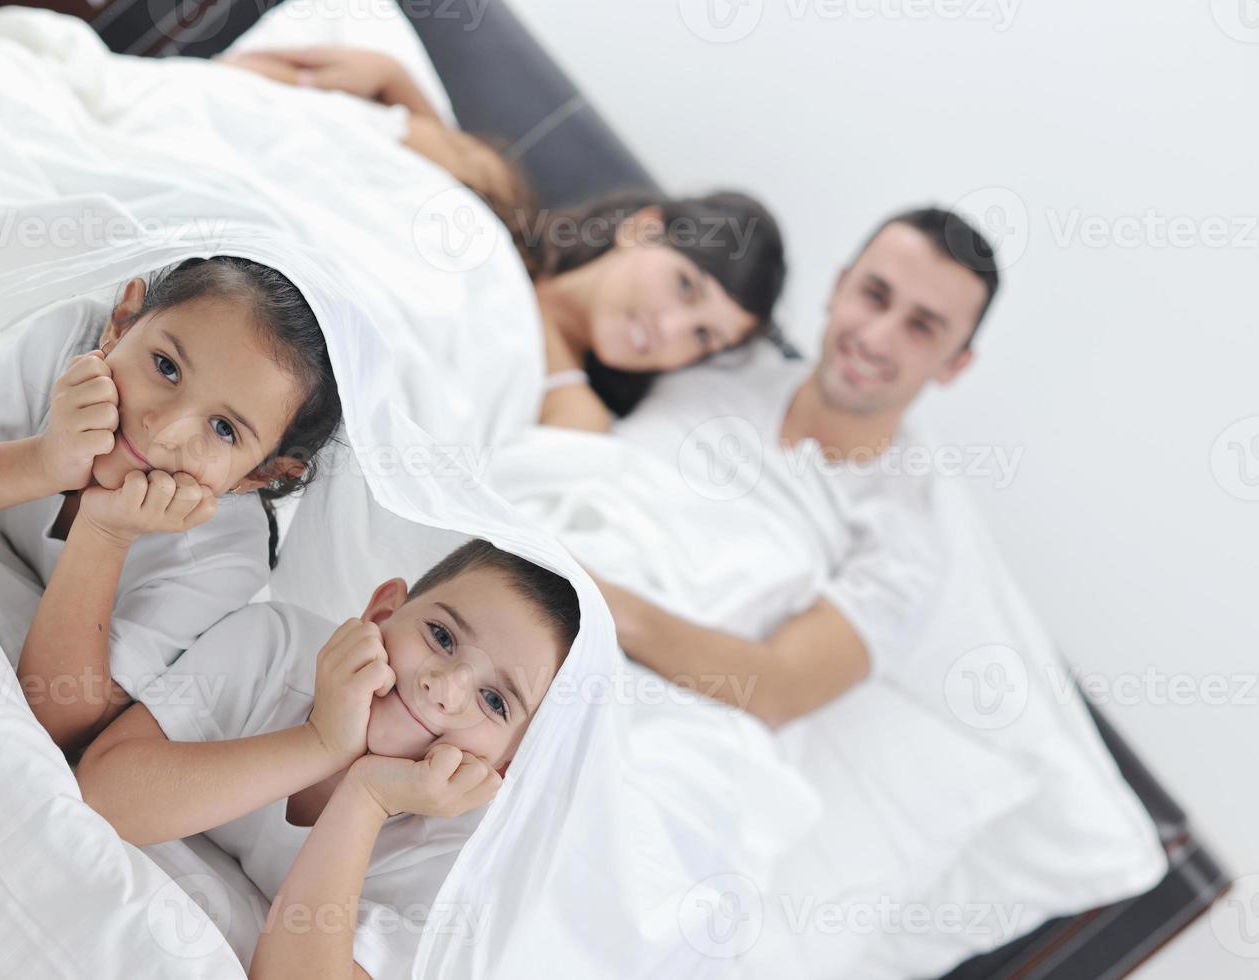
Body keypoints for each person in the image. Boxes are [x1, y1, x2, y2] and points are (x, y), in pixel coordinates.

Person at [0, 256, 344, 751]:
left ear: (259, 473)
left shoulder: (227, 556)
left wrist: (105, 533)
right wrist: (44, 460)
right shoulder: (66, 349)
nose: (163, 430)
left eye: (223, 429)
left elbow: (58, 719)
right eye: (166, 367)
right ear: (121, 322)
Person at [74, 539, 581, 980]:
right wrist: (320, 743)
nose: (445, 689)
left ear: (504, 770)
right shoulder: (275, 644)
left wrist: (368, 796)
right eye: (441, 637)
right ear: (382, 613)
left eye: (495, 702)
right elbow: (99, 797)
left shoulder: (459, 862)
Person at [219, 47, 787, 431]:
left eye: (703, 338)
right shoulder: (498, 204)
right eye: (685, 288)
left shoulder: (574, 409)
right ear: (643, 229)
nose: (668, 331)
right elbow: (333, 125)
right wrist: (396, 81)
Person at [598, 207, 1000, 725]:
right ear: (838, 287)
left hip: (629, 692)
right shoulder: (716, 349)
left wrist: (582, 594)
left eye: (921, 328)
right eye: (874, 295)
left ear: (954, 364)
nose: (877, 338)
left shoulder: (903, 547)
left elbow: (778, 687)